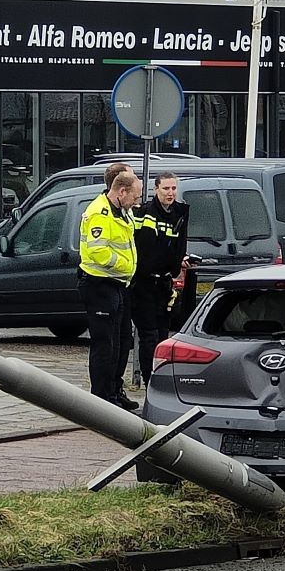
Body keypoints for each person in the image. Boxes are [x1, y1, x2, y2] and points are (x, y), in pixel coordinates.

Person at [79, 169, 141, 408]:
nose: (136, 202)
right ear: (122, 192)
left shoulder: (122, 211)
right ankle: (101, 400)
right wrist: (127, 266)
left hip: (117, 284)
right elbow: (98, 252)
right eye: (134, 197)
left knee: (121, 342)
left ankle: (114, 392)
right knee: (105, 345)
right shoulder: (99, 213)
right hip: (100, 284)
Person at [132, 171, 190, 386]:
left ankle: (161, 381)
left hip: (164, 284)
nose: (170, 193)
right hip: (144, 283)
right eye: (166, 188)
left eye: (173, 188)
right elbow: (142, 247)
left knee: (164, 336)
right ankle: (149, 381)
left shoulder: (179, 213)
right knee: (149, 336)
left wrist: (180, 260)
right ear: (156, 189)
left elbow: (174, 246)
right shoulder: (146, 212)